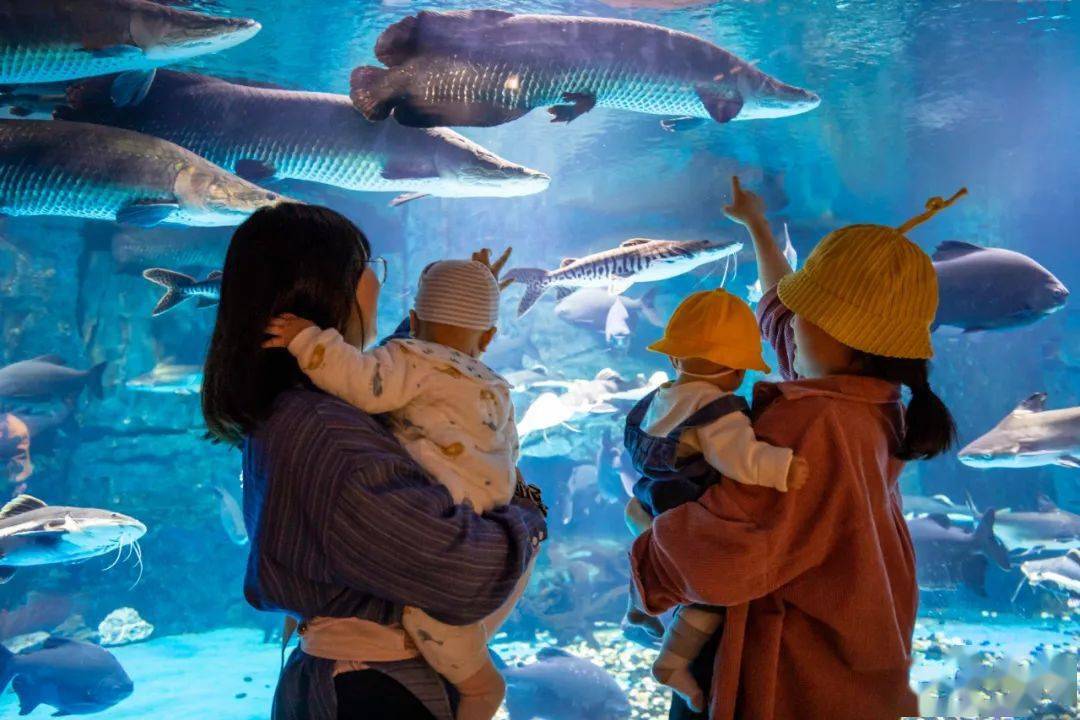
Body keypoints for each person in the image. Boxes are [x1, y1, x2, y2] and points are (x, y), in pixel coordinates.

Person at [629, 177, 963, 720]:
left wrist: (649, 535)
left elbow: (737, 549)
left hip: (786, 669)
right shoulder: (869, 398)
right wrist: (758, 227)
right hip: (844, 664)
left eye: (805, 310)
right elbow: (778, 313)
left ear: (839, 336)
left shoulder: (817, 420)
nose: (790, 319)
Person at [201, 203, 547, 720]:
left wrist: (459, 315)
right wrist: (527, 509)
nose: (379, 283)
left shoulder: (302, 404)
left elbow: (398, 380)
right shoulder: (327, 434)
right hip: (373, 691)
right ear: (325, 288)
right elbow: (461, 574)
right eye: (370, 267)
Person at [263, 259, 527, 720]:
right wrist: (527, 514)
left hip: (447, 547)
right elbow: (507, 448)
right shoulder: (495, 386)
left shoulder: (400, 364)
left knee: (473, 671)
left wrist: (307, 340)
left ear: (416, 320)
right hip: (484, 519)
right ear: (488, 339)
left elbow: (367, 381)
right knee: (478, 674)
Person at [621, 288, 808, 712]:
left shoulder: (657, 399)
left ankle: (638, 607)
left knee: (651, 552)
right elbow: (741, 460)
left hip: (650, 504)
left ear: (673, 358)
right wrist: (781, 467)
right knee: (713, 595)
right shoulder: (717, 410)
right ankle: (673, 659)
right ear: (738, 372)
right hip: (689, 517)